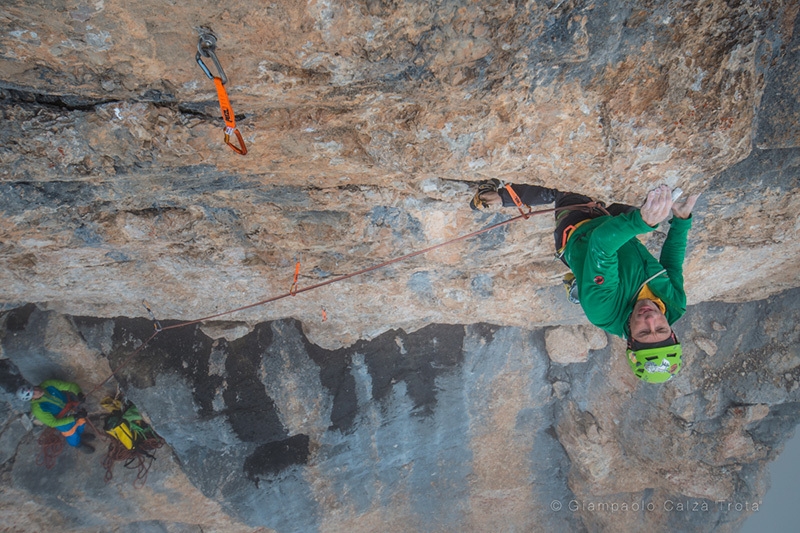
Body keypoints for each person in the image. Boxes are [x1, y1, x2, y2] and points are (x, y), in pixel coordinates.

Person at [471, 180, 700, 383]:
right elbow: (671, 265)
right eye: (660, 328)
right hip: (615, 228)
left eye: (644, 333)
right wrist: (681, 220)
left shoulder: (604, 311)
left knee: (564, 186)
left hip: (580, 230)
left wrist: (642, 222)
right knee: (641, 199)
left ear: (630, 340)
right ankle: (581, 281)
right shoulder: (675, 305)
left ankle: (492, 198)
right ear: (672, 332)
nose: (651, 319)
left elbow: (601, 245)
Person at [17, 379, 95, 453]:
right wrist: (74, 417)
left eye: (33, 388)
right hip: (64, 422)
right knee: (72, 434)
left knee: (81, 423)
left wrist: (79, 393)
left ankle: (81, 435)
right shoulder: (37, 409)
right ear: (32, 399)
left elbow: (70, 386)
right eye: (33, 393)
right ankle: (78, 445)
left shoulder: (48, 384)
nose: (37, 390)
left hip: (73, 409)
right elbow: (53, 423)